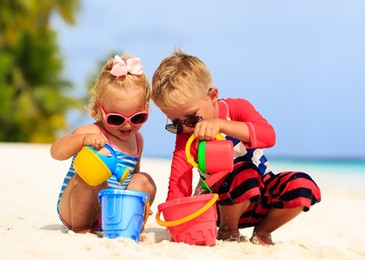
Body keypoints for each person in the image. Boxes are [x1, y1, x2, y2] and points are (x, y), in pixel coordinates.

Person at [150, 49, 321, 245]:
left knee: (302, 184)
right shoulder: (187, 136)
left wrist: (221, 125)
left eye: (191, 117)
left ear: (213, 96)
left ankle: (263, 231)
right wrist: (175, 220)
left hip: (259, 196)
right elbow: (179, 181)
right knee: (242, 172)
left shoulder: (237, 109)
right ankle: (227, 230)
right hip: (217, 205)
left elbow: (268, 136)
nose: (186, 127)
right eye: (176, 123)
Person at [50, 54, 157, 234]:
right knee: (92, 179)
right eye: (116, 119)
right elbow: (56, 152)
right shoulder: (91, 133)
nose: (128, 124)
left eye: (138, 117)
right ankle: (82, 229)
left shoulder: (137, 140)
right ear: (101, 110)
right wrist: (81, 141)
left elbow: (133, 175)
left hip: (110, 212)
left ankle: (129, 222)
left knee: (144, 181)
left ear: (146, 108)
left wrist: (139, 203)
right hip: (74, 210)